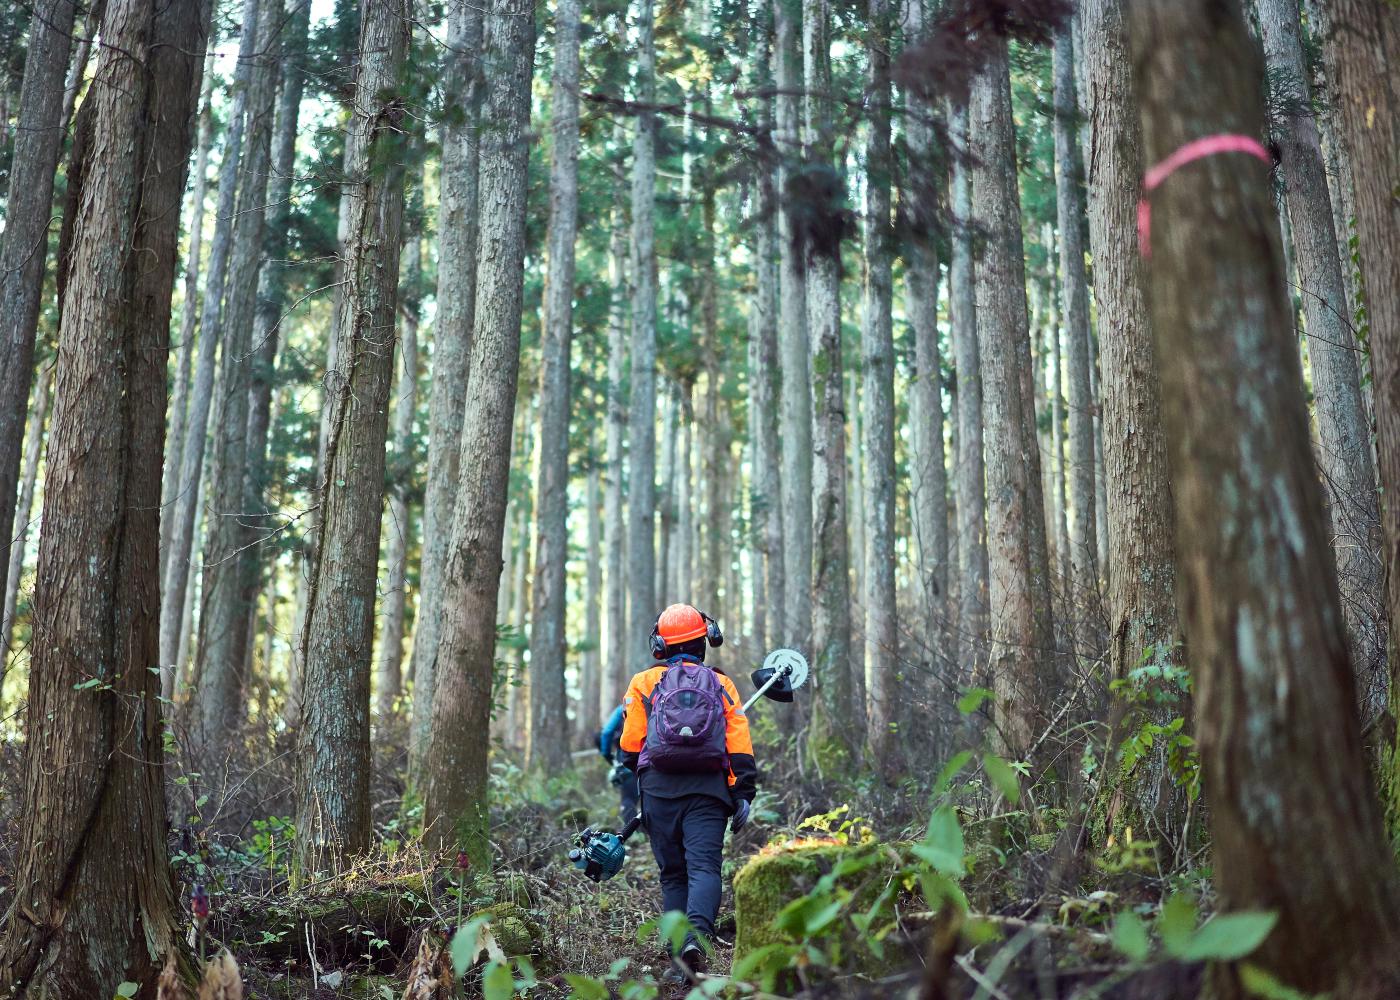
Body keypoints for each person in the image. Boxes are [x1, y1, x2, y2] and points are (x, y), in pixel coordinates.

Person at [618, 603, 756, 983]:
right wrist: (742, 791)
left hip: (659, 791)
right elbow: (738, 743)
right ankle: (698, 939)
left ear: (660, 645)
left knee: (673, 875)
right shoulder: (722, 684)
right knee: (705, 868)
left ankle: (677, 952)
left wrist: (644, 779)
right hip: (709, 792)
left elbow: (630, 746)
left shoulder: (643, 683)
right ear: (705, 641)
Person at [597, 702, 640, 819]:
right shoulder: (659, 702)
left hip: (627, 761)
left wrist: (606, 754)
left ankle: (634, 834)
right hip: (653, 761)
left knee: (628, 800)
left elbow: (606, 732)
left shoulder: (623, 708)